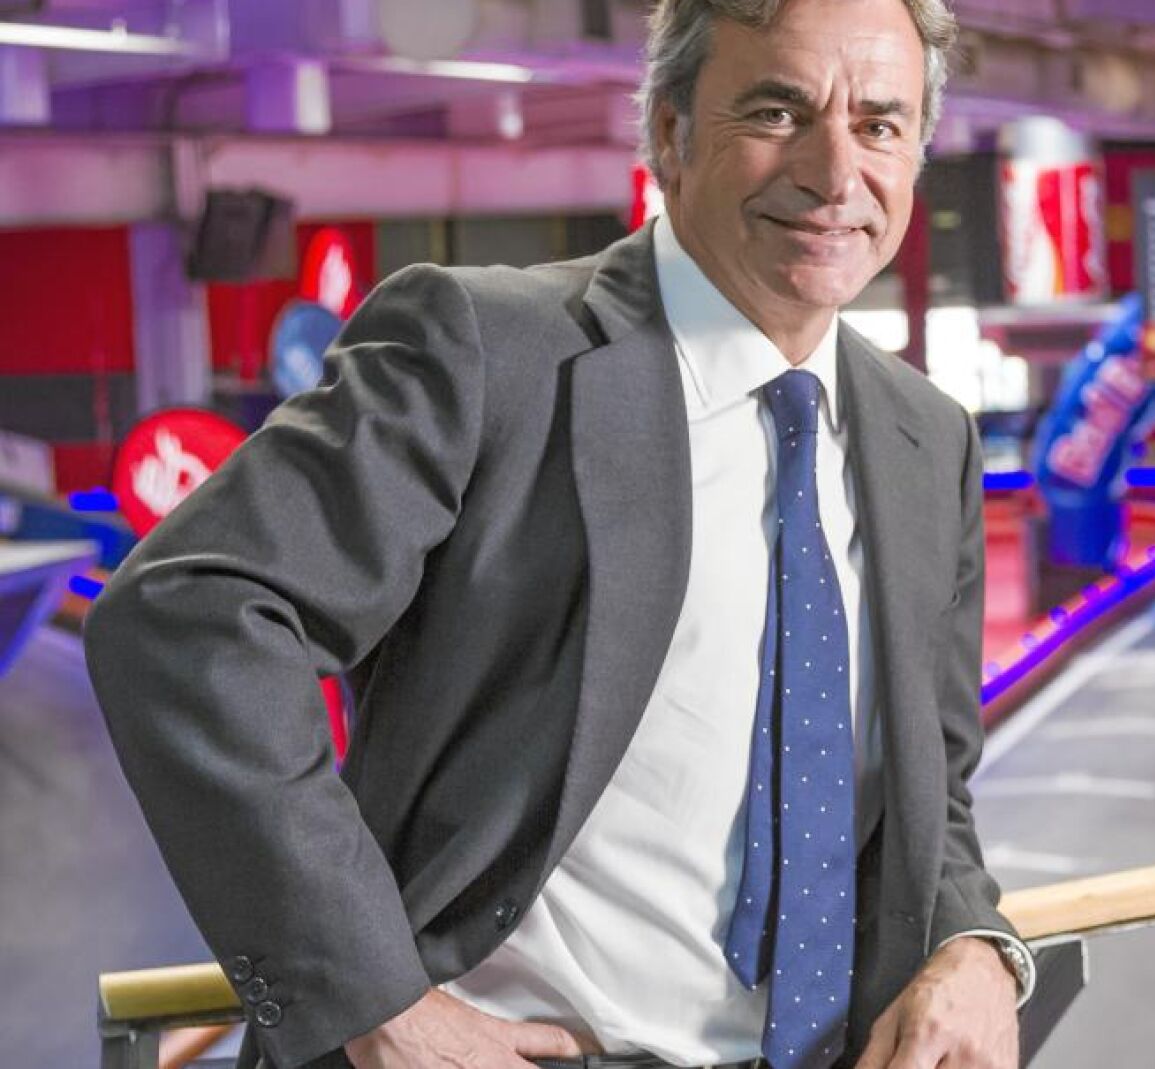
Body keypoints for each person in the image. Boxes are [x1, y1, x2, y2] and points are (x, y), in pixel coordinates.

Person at [82, 0, 1033, 1066]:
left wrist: (975, 941)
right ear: (670, 132)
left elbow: (932, 784)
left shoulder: (923, 438)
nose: (833, 170)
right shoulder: (490, 350)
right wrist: (376, 1005)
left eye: (879, 124)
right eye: (777, 111)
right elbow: (192, 613)